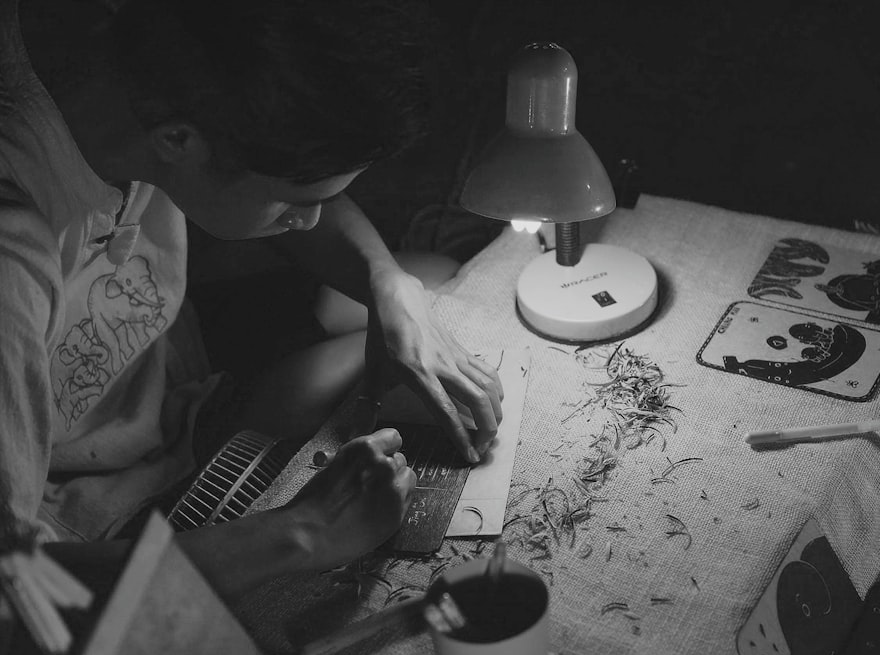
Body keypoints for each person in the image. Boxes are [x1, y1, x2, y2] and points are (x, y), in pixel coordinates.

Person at [0, 0, 503, 600]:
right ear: (179, 140)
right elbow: (15, 588)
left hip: (181, 416)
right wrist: (302, 533)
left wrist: (386, 282)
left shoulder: (143, 87)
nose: (312, 218)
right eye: (297, 200)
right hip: (86, 535)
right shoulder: (16, 255)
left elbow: (276, 168)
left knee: (432, 297)